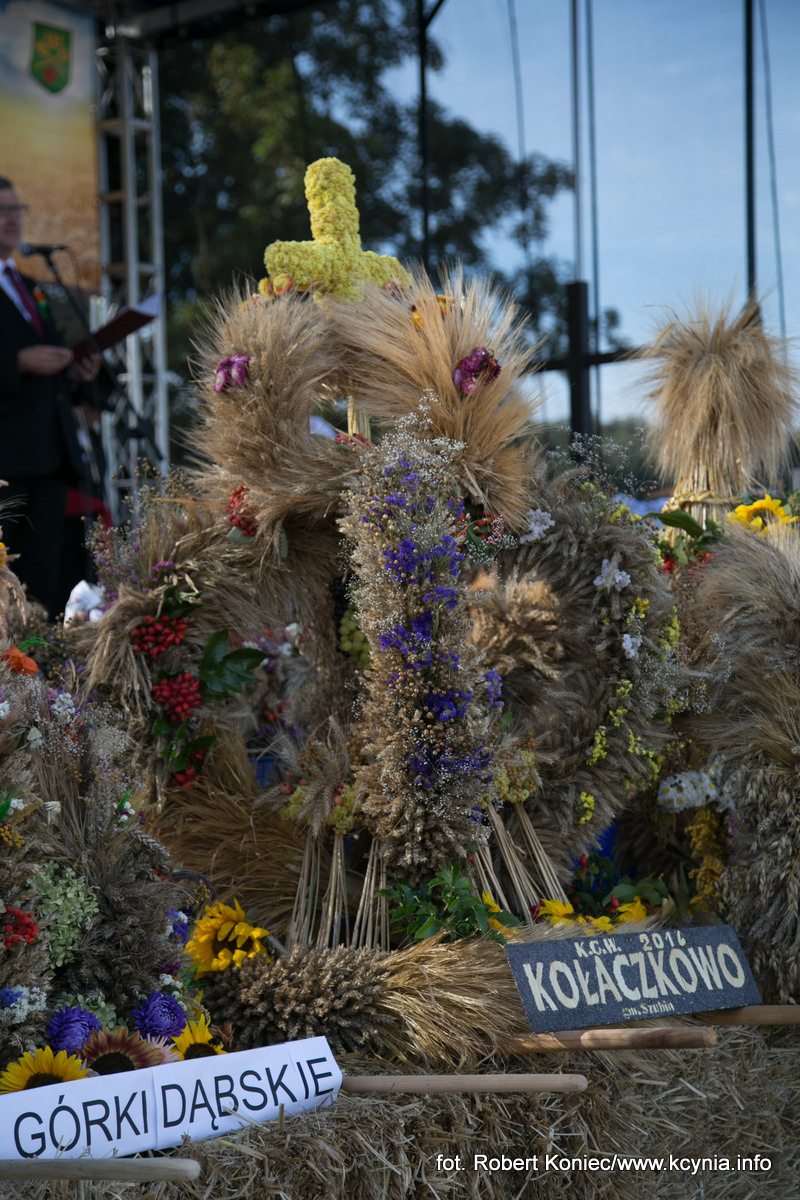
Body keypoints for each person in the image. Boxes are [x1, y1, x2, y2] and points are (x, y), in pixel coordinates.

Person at [0, 175, 102, 619]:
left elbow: (52, 364)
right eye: (1, 210)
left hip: (51, 455)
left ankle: (38, 679)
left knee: (44, 581)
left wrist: (79, 374)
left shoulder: (29, 285)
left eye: (16, 209)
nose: (12, 219)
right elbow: (22, 358)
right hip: (6, 461)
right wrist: (18, 362)